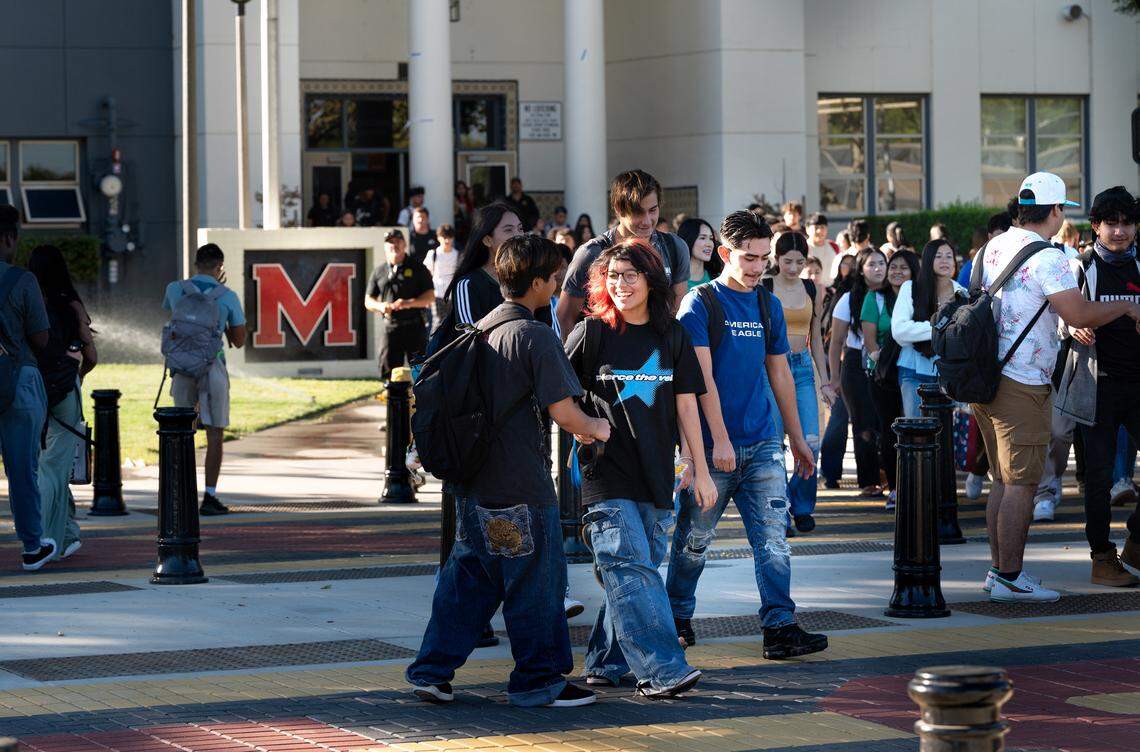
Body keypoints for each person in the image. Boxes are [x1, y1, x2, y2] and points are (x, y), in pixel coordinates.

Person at [406, 234, 609, 708]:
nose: (558, 285)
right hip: (520, 484)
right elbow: (564, 412)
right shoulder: (534, 335)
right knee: (535, 582)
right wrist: (596, 427)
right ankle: (538, 680)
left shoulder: (481, 328)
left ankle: (431, 670)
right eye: (555, 279)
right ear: (537, 283)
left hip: (473, 484)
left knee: (469, 580)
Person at [667, 210, 827, 660]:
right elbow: (701, 382)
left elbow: (780, 375)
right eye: (749, 257)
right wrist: (716, 442)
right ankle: (676, 618)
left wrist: (795, 438)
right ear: (724, 253)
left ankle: (780, 626)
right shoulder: (700, 303)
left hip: (762, 444)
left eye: (763, 258)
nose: (758, 267)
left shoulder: (767, 304)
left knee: (774, 540)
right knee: (693, 542)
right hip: (711, 449)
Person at [974, 172, 1140, 603]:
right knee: (1021, 485)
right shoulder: (1049, 258)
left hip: (987, 377)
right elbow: (1079, 313)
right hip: (1022, 381)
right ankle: (1010, 575)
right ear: (1054, 211)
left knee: (1002, 481)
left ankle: (999, 572)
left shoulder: (995, 245)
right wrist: (1124, 306)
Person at [565, 239, 712, 697]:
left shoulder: (671, 335)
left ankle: (606, 662)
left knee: (635, 569)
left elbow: (688, 406)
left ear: (652, 280)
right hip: (605, 475)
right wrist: (581, 426)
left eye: (631, 275)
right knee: (629, 567)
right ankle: (662, 668)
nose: (621, 284)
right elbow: (554, 393)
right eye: (613, 276)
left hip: (658, 475)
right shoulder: (591, 335)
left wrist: (698, 467)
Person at [1052, 186, 1140, 586]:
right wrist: (1071, 325)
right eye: (1112, 223)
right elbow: (1057, 317)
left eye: (1126, 223)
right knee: (1099, 478)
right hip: (1096, 386)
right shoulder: (1081, 267)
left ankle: (1136, 539)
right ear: (1096, 226)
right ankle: (1102, 558)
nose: (1119, 231)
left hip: (1137, 383)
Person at [162, 243, 247, 516]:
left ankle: (179, 495)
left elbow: (174, 318)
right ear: (219, 267)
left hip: (182, 367)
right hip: (212, 367)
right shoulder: (228, 296)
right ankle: (209, 496)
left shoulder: (175, 289)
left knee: (179, 432)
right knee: (215, 432)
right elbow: (238, 339)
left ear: (196, 264)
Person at [557, 170, 691, 338]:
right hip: (604, 356)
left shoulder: (675, 247)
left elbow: (676, 310)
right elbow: (565, 317)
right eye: (638, 212)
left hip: (656, 355)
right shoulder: (592, 253)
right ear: (618, 210)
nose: (647, 221)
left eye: (653, 210)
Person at [29, 245, 97, 561]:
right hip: (66, 392)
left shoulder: (28, 303)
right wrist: (77, 375)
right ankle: (44, 540)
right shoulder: (72, 306)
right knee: (54, 465)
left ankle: (68, 533)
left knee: (48, 461)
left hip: (31, 390)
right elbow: (92, 357)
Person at [0, 205, 55, 569]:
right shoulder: (22, 280)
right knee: (21, 468)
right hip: (18, 379)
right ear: (8, 238)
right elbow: (41, 337)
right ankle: (33, 546)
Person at [763, 232, 828, 531]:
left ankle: (800, 504)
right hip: (772, 369)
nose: (793, 268)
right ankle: (779, 510)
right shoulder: (765, 286)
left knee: (810, 443)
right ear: (776, 260)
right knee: (774, 445)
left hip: (802, 368)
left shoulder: (812, 289)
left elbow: (816, 336)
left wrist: (825, 380)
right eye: (787, 261)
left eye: (799, 262)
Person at [825, 247, 887, 498]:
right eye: (872, 264)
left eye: (882, 263)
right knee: (863, 424)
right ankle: (869, 481)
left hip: (887, 362)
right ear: (861, 270)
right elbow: (836, 342)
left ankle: (889, 477)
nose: (878, 268)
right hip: (855, 364)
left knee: (886, 422)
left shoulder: (895, 295)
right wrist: (835, 378)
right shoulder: (849, 298)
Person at [861, 249, 918, 509]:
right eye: (892, 266)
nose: (896, 271)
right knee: (888, 430)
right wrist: (881, 359)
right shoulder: (875, 298)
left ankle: (917, 484)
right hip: (884, 375)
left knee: (915, 429)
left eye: (903, 267)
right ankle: (895, 488)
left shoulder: (920, 296)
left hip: (915, 371)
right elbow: (869, 337)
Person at [891, 240, 965, 418]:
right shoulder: (911, 288)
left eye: (949, 256)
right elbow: (899, 330)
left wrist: (927, 331)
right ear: (928, 259)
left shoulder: (962, 294)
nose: (945, 260)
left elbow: (964, 336)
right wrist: (940, 328)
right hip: (913, 371)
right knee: (916, 433)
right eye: (938, 256)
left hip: (951, 374)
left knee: (947, 435)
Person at [365, 230, 434, 380]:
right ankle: (393, 402)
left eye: (397, 241)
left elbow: (430, 297)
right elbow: (368, 300)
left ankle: (421, 402)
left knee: (420, 373)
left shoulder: (418, 268)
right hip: (390, 328)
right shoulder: (379, 271)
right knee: (389, 374)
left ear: (404, 244)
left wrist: (408, 303)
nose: (394, 245)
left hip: (415, 327)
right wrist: (381, 306)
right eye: (390, 242)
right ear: (385, 246)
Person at [958, 211, 1014, 292]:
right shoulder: (978, 263)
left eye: (1007, 237)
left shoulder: (1014, 259)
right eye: (1000, 236)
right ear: (990, 236)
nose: (1004, 241)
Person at [425, 224, 459, 333]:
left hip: (453, 295)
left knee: (452, 323)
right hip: (437, 294)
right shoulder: (433, 254)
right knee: (437, 323)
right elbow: (427, 275)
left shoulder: (458, 255)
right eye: (444, 237)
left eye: (449, 237)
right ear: (439, 238)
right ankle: (434, 348)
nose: (447, 240)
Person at [677, 217, 721, 291]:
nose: (709, 244)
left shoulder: (718, 280)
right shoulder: (672, 283)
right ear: (688, 240)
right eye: (702, 238)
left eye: (711, 238)